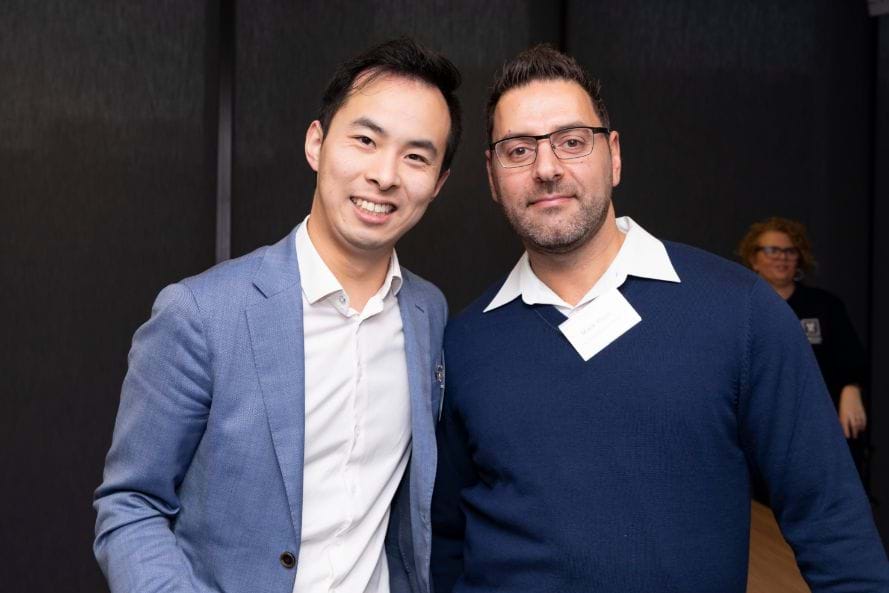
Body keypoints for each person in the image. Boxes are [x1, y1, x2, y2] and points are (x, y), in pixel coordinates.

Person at [431, 45, 888, 593]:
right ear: (492, 175)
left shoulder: (740, 312)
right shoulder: (465, 344)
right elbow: (443, 540)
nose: (546, 168)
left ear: (614, 156)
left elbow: (833, 523)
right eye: (518, 150)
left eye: (572, 142)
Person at [94, 38, 461, 593]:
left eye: (416, 156)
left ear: (438, 183)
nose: (385, 175)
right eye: (365, 140)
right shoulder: (201, 314)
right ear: (317, 143)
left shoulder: (427, 312)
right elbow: (130, 505)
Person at [738, 217, 869, 467]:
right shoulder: (742, 307)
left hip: (819, 423)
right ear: (753, 259)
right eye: (772, 250)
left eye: (790, 251)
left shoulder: (824, 305)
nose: (782, 257)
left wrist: (851, 389)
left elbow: (851, 357)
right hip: (759, 425)